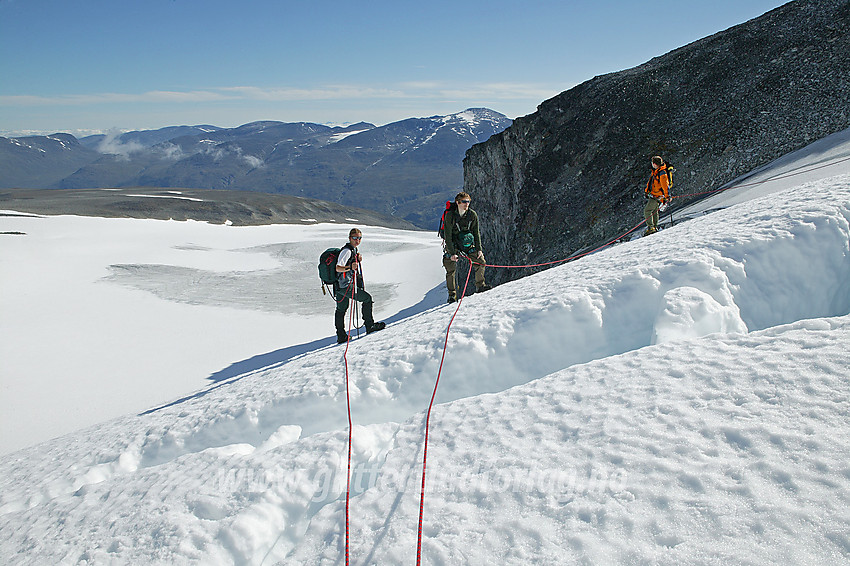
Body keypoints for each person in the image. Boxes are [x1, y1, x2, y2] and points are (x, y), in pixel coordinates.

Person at [334, 228, 385, 343]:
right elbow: (338, 268)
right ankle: (369, 325)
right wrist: (350, 267)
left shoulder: (352, 250)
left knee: (341, 309)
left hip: (340, 287)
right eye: (355, 238)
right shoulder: (347, 251)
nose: (357, 240)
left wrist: (356, 257)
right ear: (349, 238)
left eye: (359, 238)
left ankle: (341, 336)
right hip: (345, 286)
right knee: (367, 299)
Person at [441, 192, 491, 303]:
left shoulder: (472, 215)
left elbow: (476, 232)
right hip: (453, 245)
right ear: (458, 202)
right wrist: (452, 252)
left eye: (468, 201)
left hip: (467, 244)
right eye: (464, 202)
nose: (466, 204)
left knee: (481, 262)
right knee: (450, 269)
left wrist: (479, 249)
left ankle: (480, 286)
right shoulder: (450, 216)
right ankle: (452, 295)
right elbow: (448, 236)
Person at [643, 156, 671, 235]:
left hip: (657, 196)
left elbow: (665, 186)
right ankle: (654, 227)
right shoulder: (658, 171)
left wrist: (667, 196)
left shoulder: (661, 173)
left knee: (647, 211)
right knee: (655, 211)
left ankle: (651, 227)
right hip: (656, 195)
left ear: (655, 164)